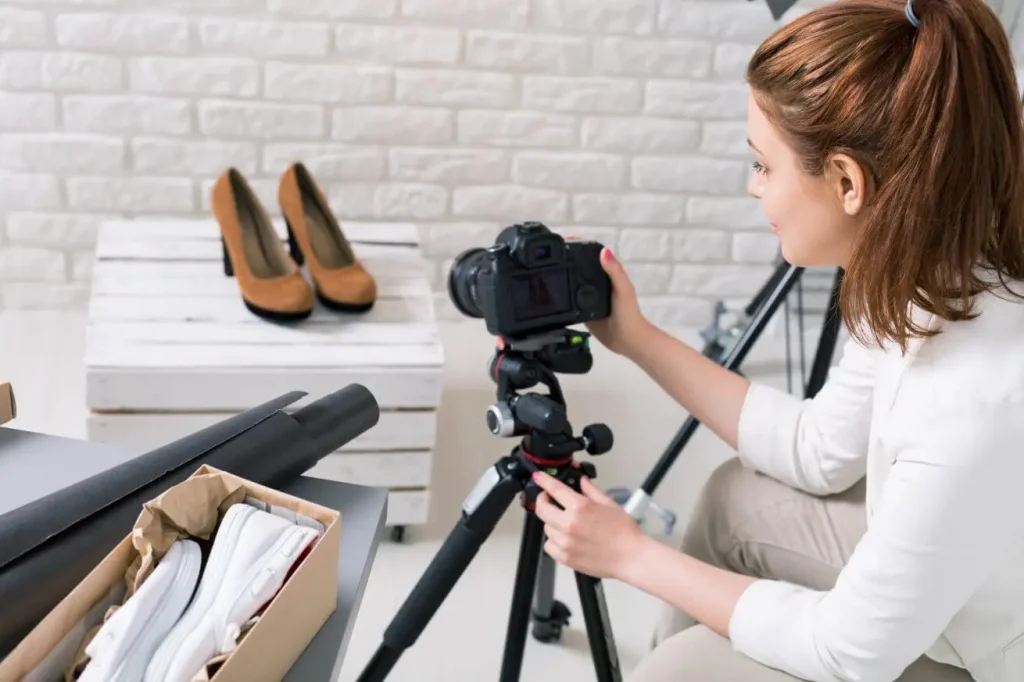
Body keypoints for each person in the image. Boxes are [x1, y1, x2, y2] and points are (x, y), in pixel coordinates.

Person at [529, 0, 1024, 680]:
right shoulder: (918, 278)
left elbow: (845, 651)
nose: (753, 187)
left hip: (982, 658)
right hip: (958, 592)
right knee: (737, 497)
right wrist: (635, 337)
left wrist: (632, 556)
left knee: (677, 673)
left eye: (764, 165)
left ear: (848, 182)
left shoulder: (973, 403)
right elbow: (817, 449)